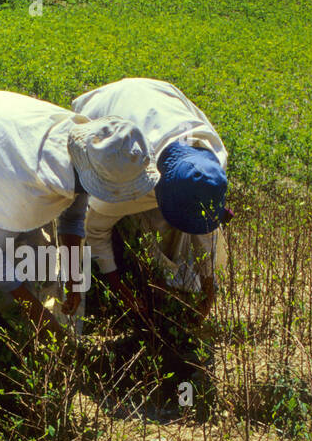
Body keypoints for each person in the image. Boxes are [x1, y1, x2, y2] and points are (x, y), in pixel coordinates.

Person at [0, 90, 155, 335]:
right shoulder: (27, 191)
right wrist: (37, 315)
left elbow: (73, 217)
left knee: (35, 252)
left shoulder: (94, 154)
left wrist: (74, 279)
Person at [66, 77, 230, 321]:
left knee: (182, 235)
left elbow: (205, 229)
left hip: (159, 93)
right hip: (105, 108)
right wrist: (118, 287)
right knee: (140, 228)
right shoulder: (126, 175)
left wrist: (209, 290)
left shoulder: (212, 160)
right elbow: (95, 231)